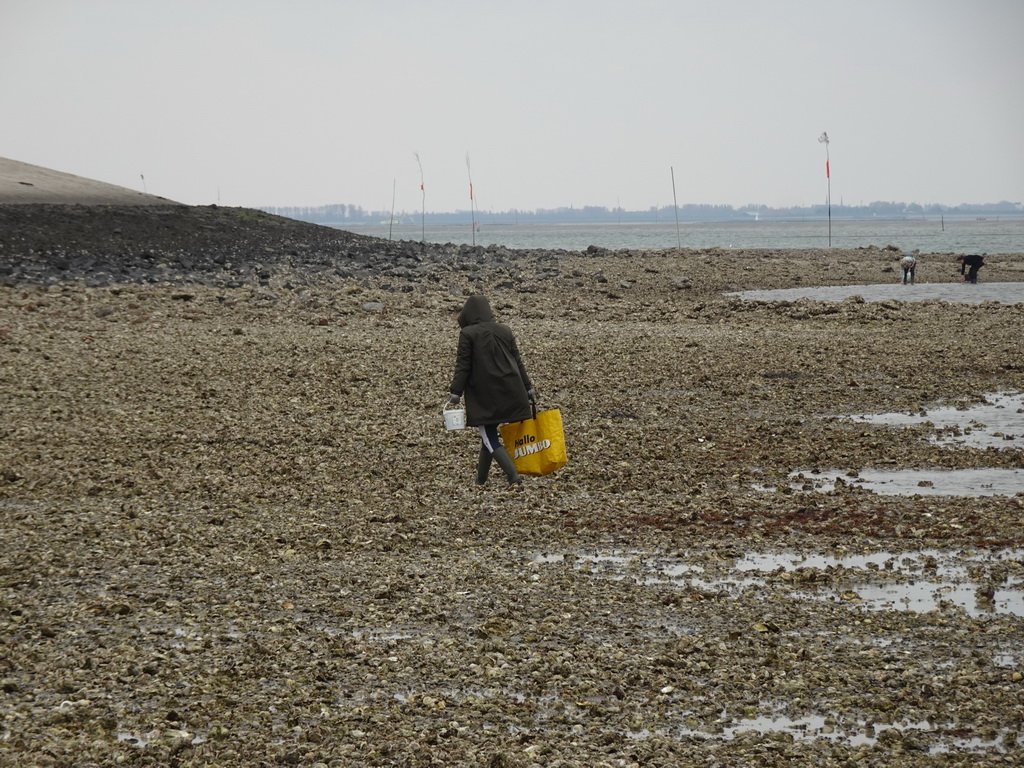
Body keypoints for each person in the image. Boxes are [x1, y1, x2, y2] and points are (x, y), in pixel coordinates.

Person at [448, 295, 536, 486]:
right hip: (512, 389)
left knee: (488, 435)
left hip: (486, 394)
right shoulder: (505, 330)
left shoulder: (469, 333)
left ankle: (514, 476)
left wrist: (456, 392)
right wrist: (528, 387)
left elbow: (463, 365)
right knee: (487, 436)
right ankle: (480, 480)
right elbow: (518, 362)